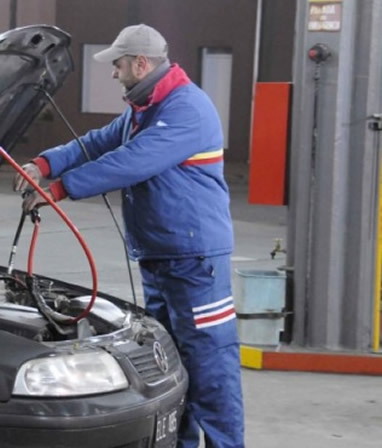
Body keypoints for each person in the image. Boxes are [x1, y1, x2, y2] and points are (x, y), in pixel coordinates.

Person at [14, 24, 244, 448]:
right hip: (162, 256)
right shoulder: (145, 108)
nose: (113, 72)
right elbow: (97, 143)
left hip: (196, 261)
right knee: (173, 364)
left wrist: (61, 189)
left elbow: (131, 162)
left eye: (118, 64)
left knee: (210, 365)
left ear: (141, 63)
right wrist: (44, 165)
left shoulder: (185, 109)